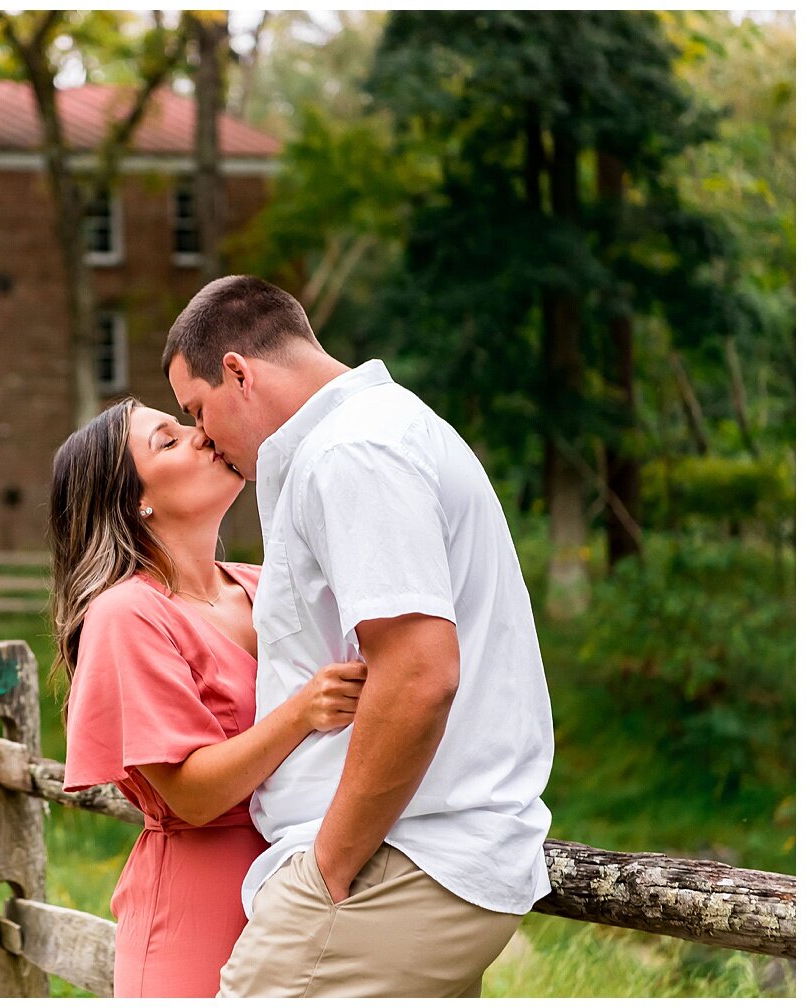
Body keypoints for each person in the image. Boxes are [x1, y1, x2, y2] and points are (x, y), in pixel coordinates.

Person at [164, 275, 554, 998]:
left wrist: (328, 867)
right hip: (399, 862)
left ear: (237, 373)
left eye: (197, 410)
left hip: (393, 863)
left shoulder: (353, 453)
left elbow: (419, 675)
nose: (201, 438)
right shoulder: (373, 435)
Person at [48, 395, 368, 998]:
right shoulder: (127, 613)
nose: (199, 435)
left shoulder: (260, 584)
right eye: (165, 441)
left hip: (307, 888)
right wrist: (303, 711)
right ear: (134, 500)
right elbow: (190, 795)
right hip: (200, 912)